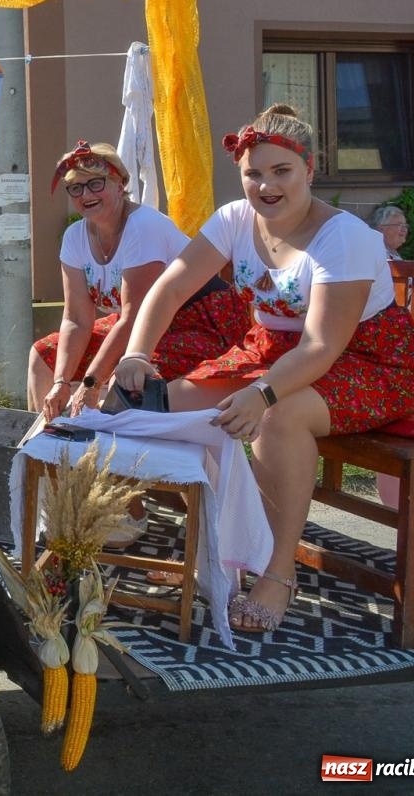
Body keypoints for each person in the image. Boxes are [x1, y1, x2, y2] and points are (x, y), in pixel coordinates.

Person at [113, 105, 414, 634]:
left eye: (281, 171)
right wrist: (137, 354)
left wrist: (261, 393)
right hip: (276, 354)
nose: (266, 185)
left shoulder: (345, 237)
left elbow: (324, 345)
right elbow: (168, 288)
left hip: (368, 363)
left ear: (310, 169)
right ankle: (217, 550)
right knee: (156, 405)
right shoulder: (235, 219)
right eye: (254, 173)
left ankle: (277, 573)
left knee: (279, 418)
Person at [29, 141, 250, 545]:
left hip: (199, 320)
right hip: (145, 322)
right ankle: (59, 481)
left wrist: (92, 383)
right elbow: (77, 318)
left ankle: (123, 503)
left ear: (121, 184)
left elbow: (134, 316)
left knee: (123, 384)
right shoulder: (75, 238)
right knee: (42, 356)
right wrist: (63, 382)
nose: (86, 195)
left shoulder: (143, 227)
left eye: (96, 183)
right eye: (75, 188)